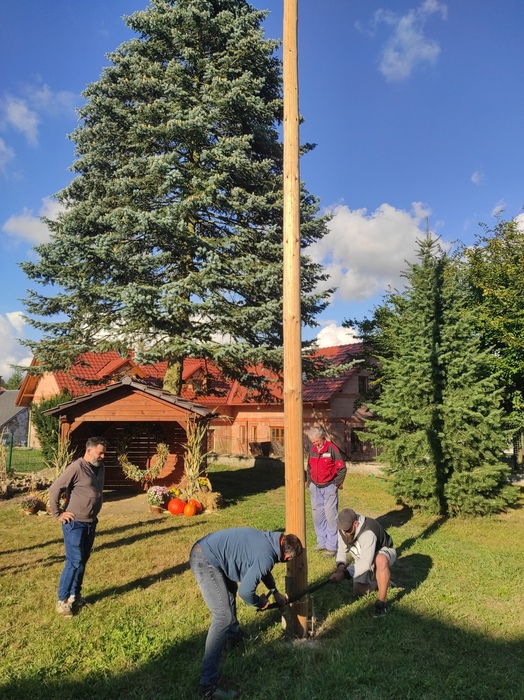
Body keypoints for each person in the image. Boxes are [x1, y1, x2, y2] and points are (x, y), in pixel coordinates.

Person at [190, 528, 303, 699]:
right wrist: (260, 602)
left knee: (230, 590)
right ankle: (207, 685)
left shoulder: (270, 540)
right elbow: (246, 592)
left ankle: (233, 637)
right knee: (223, 617)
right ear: (287, 557)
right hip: (205, 559)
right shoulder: (267, 556)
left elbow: (262, 567)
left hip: (209, 549)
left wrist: (274, 591)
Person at [48, 436, 108, 618]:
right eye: (100, 453)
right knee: (74, 561)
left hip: (90, 523)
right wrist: (58, 514)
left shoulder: (100, 467)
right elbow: (55, 488)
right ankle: (62, 601)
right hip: (74, 524)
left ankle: (75, 596)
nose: (103, 456)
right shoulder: (76, 467)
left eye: (104, 453)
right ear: (89, 451)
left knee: (82, 561)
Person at [330, 507, 397, 616]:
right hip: (362, 558)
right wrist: (340, 566)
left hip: (382, 552)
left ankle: (381, 603)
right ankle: (381, 582)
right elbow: (341, 551)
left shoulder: (368, 532)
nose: (345, 532)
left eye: (348, 529)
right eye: (343, 529)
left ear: (355, 523)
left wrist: (344, 575)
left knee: (380, 559)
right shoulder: (343, 530)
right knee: (358, 591)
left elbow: (366, 563)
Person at [306, 427, 347, 557]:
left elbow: (342, 468)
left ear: (322, 437)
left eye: (317, 441)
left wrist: (336, 484)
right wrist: (309, 481)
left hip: (329, 486)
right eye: (313, 442)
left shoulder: (332, 449)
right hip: (315, 487)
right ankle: (321, 543)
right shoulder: (312, 450)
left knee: (330, 516)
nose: (316, 444)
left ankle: (331, 546)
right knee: (317, 517)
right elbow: (309, 467)